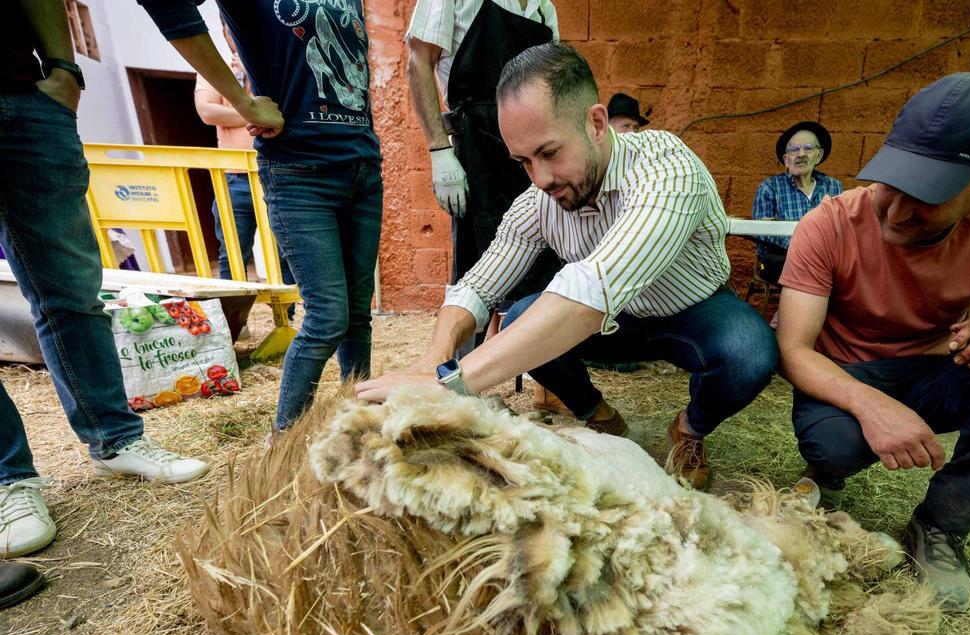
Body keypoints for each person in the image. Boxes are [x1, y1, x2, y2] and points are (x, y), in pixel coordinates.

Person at [356, 43, 778, 492]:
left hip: (693, 315)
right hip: (615, 324)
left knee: (749, 352)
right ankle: (598, 416)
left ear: (596, 123)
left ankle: (690, 430)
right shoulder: (539, 201)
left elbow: (594, 287)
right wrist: (434, 358)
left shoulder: (668, 169)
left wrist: (451, 387)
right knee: (519, 317)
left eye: (550, 152)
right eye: (524, 162)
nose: (541, 178)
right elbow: (476, 287)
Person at [776, 73, 970, 611]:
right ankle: (827, 470)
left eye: (928, 195)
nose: (894, 213)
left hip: (941, 368)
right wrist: (875, 409)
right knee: (837, 446)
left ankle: (942, 526)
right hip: (850, 371)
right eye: (892, 183)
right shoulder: (830, 222)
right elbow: (795, 348)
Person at [2, 0, 211, 607]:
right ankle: (9, 477)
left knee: (73, 290)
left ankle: (116, 439)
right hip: (35, 97)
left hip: (27, 94)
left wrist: (63, 66)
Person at [139, 0, 383, 431]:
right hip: (299, 171)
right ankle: (284, 441)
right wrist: (244, 105)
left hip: (363, 166)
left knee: (357, 316)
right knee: (328, 319)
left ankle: (359, 426)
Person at [406, 0, 564, 351]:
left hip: (532, 146)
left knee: (545, 260)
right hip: (476, 143)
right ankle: (461, 377)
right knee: (475, 260)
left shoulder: (542, 8)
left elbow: (554, 82)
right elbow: (419, 61)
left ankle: (549, 383)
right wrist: (439, 151)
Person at [193, 21, 295, 302]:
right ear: (225, 32)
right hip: (235, 177)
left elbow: (289, 110)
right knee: (234, 253)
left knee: (285, 250)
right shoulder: (216, 69)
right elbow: (206, 111)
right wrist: (258, 114)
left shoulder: (273, 61)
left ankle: (288, 319)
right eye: (230, 27)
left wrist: (243, 104)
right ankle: (234, 322)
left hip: (278, 173)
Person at [752, 121, 841, 283]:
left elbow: (842, 229)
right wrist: (803, 246)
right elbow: (761, 234)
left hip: (825, 257)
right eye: (794, 149)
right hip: (777, 260)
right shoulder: (769, 188)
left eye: (808, 148)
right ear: (786, 160)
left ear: (819, 155)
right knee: (811, 267)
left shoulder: (833, 186)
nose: (801, 154)